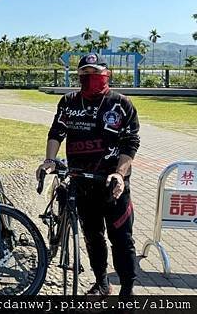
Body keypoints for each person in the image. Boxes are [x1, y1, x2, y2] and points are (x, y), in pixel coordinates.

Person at [36, 53, 140, 297]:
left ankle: (127, 290)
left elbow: (130, 143)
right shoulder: (69, 102)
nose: (90, 79)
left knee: (122, 239)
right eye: (85, 75)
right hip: (80, 182)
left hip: (112, 184)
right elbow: (56, 131)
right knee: (93, 237)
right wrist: (50, 160)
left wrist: (119, 174)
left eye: (96, 74)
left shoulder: (121, 104)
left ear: (106, 75)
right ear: (79, 77)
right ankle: (102, 282)